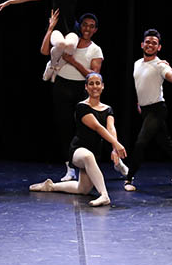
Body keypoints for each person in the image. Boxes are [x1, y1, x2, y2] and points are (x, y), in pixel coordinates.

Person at [30, 73, 126, 207]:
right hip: (78, 150)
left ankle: (51, 186)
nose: (95, 86)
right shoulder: (82, 107)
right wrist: (116, 143)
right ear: (86, 87)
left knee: (83, 189)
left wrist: (115, 149)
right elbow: (98, 127)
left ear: (102, 86)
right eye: (91, 84)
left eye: (97, 83)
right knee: (87, 156)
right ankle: (104, 195)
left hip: (94, 153)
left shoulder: (108, 109)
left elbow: (111, 128)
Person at [123, 29, 172, 192]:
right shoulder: (137, 63)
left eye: (154, 43)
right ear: (142, 44)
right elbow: (141, 85)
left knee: (141, 143)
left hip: (157, 110)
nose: (150, 45)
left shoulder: (161, 65)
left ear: (159, 47)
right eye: (147, 42)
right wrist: (140, 103)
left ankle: (129, 178)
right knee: (167, 145)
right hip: (145, 110)